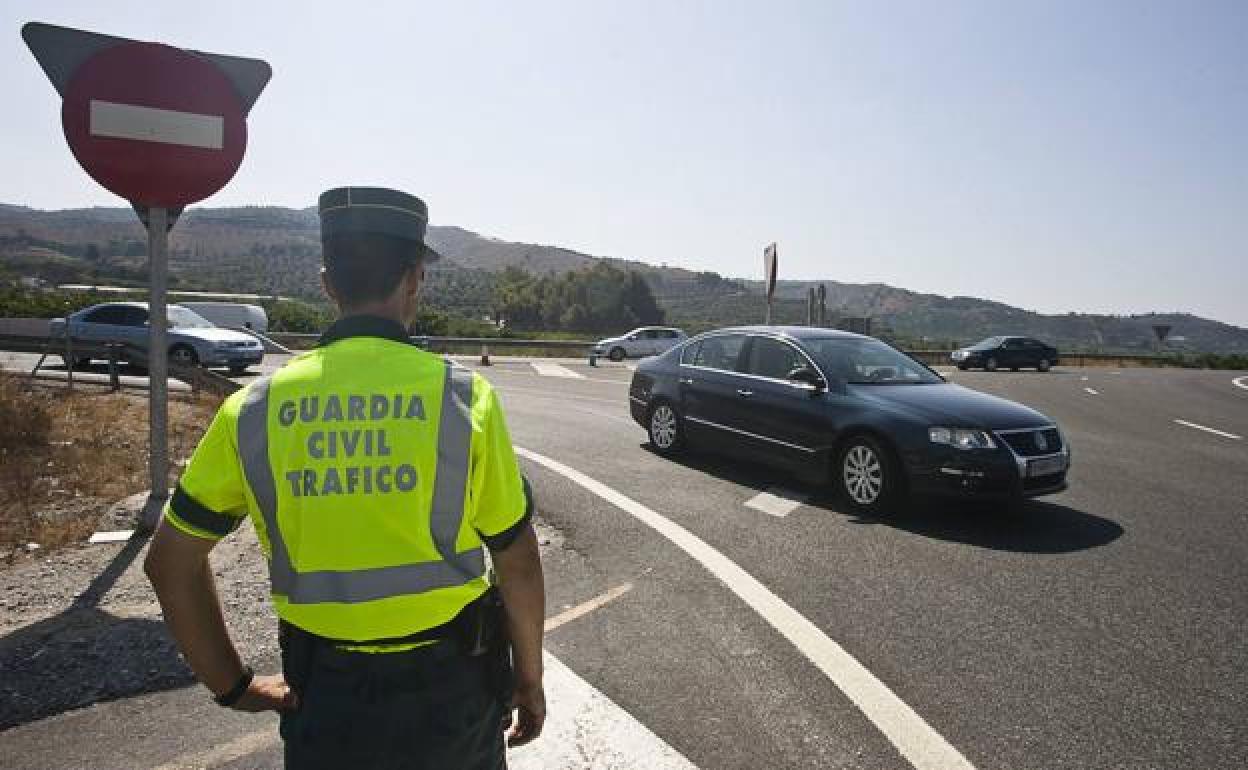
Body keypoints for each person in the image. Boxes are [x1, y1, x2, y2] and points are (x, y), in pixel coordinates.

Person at [145, 186, 546, 769]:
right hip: (451, 698)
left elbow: (168, 564)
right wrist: (528, 679)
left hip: (324, 697)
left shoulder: (253, 410)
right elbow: (516, 560)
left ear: (328, 283)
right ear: (414, 280)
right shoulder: (464, 399)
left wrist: (235, 686)